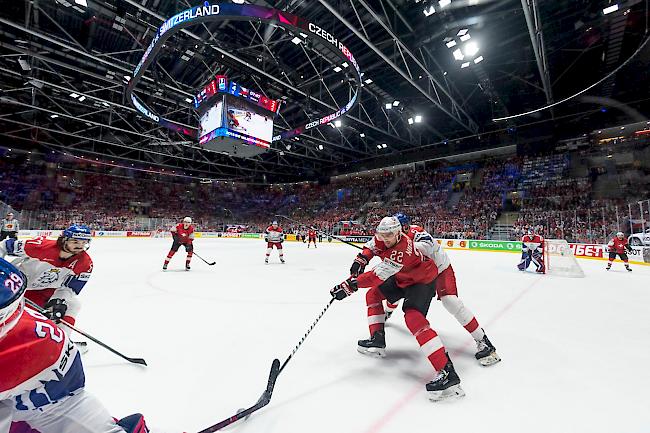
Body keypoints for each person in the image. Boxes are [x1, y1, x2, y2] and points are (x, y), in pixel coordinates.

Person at [0, 258, 150, 433]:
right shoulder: (12, 318)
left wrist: (59, 300)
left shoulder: (15, 357)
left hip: (48, 409)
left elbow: (70, 293)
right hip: (45, 395)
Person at [332, 216, 464, 402]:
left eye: (390, 235)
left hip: (421, 280)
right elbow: (371, 246)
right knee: (373, 295)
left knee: (413, 318)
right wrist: (360, 260)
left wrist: (350, 285)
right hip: (402, 277)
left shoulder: (403, 250)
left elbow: (376, 276)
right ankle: (377, 339)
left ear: (398, 233)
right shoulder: (383, 237)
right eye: (383, 234)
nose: (385, 238)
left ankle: (448, 373)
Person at [351, 213, 499, 366]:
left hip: (439, 269)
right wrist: (367, 256)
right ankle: (387, 313)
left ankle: (483, 341)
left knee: (451, 302)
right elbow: (374, 244)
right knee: (395, 286)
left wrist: (390, 254)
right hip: (412, 272)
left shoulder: (416, 235)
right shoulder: (393, 239)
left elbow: (417, 251)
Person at [0, 225, 93, 327]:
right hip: (17, 286)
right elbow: (4, 246)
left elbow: (71, 287)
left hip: (44, 291)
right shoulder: (40, 246)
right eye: (75, 242)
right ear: (64, 240)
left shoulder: (85, 263)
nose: (80, 246)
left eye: (84, 242)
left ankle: (63, 338)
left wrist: (57, 300)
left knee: (73, 305)